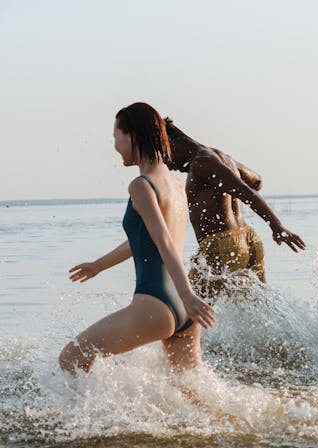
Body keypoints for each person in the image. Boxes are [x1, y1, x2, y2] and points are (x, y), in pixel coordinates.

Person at [59, 103, 216, 375]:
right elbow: (147, 239)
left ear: (131, 135)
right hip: (183, 311)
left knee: (71, 358)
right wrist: (99, 265)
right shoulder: (176, 186)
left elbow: (164, 243)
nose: (115, 146)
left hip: (156, 304)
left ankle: (87, 419)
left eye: (115, 137)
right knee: (193, 397)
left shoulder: (141, 186)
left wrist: (189, 296)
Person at [164, 118, 305, 298]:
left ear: (168, 144)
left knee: (187, 312)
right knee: (255, 314)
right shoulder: (219, 158)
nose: (168, 166)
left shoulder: (202, 162)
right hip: (248, 240)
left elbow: (245, 191)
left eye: (163, 157)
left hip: (222, 247)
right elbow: (257, 182)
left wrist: (275, 225)